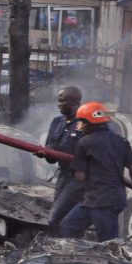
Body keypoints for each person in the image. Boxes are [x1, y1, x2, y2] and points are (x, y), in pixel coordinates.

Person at [59, 102, 132, 241]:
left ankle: (116, 263)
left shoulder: (85, 142)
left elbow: (80, 176)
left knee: (109, 244)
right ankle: (80, 257)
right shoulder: (122, 141)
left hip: (101, 201)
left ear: (90, 123)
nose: (80, 127)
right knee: (69, 225)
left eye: (81, 122)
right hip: (104, 199)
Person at [37, 86, 84, 235]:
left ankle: (67, 247)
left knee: (60, 218)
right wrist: (45, 153)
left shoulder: (85, 124)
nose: (58, 104)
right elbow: (51, 156)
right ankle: (57, 246)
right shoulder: (57, 122)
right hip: (63, 176)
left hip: (80, 179)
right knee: (58, 217)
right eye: (58, 100)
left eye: (62, 101)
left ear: (75, 102)